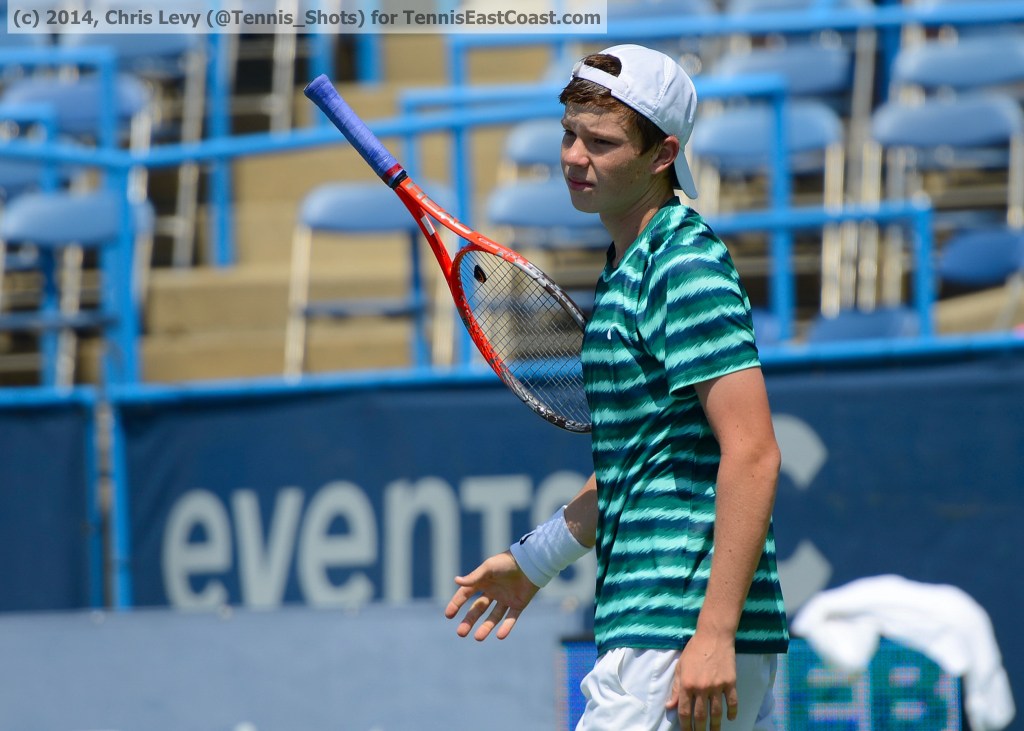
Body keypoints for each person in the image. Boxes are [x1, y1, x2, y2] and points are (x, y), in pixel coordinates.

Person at [445, 44, 789, 731]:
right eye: (570, 134)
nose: (574, 157)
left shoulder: (683, 263)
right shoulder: (626, 268)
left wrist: (713, 631)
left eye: (600, 143)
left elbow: (753, 452)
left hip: (677, 628)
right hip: (655, 623)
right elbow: (635, 467)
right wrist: (533, 560)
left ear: (663, 155)